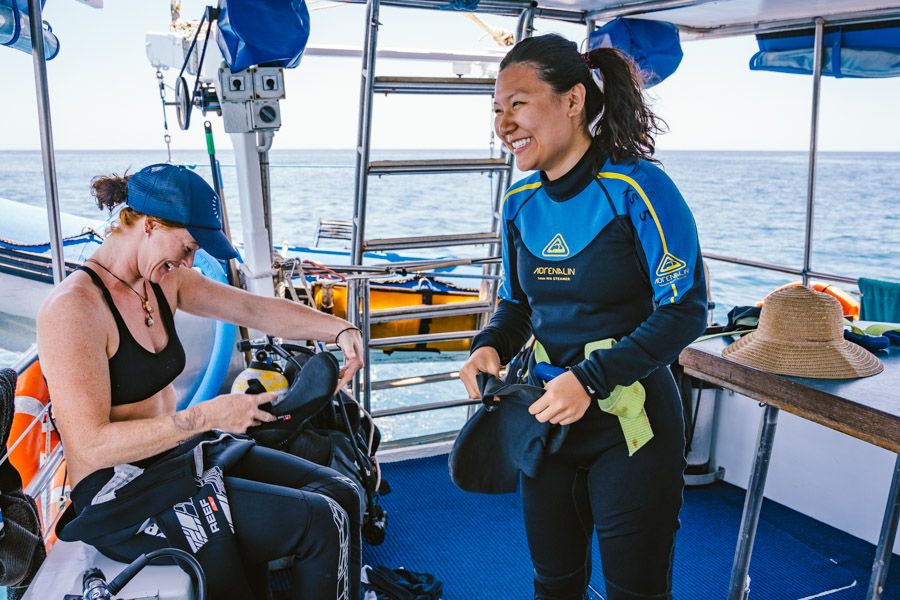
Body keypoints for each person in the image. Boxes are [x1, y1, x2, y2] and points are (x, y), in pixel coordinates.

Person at [37, 163, 365, 599]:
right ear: (150, 224)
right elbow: (91, 445)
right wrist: (207, 415)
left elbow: (251, 310)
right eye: (187, 246)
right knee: (322, 523)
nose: (189, 262)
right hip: (120, 497)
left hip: (175, 458)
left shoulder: (163, 283)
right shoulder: (74, 309)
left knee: (342, 492)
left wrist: (337, 329)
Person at [459, 34, 708, 600]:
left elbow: (686, 309)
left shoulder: (637, 187)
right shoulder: (519, 202)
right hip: (546, 419)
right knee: (555, 586)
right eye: (497, 109)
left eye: (518, 103)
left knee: (635, 592)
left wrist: (591, 380)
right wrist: (489, 345)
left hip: (631, 425)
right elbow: (518, 304)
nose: (503, 122)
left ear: (573, 101)